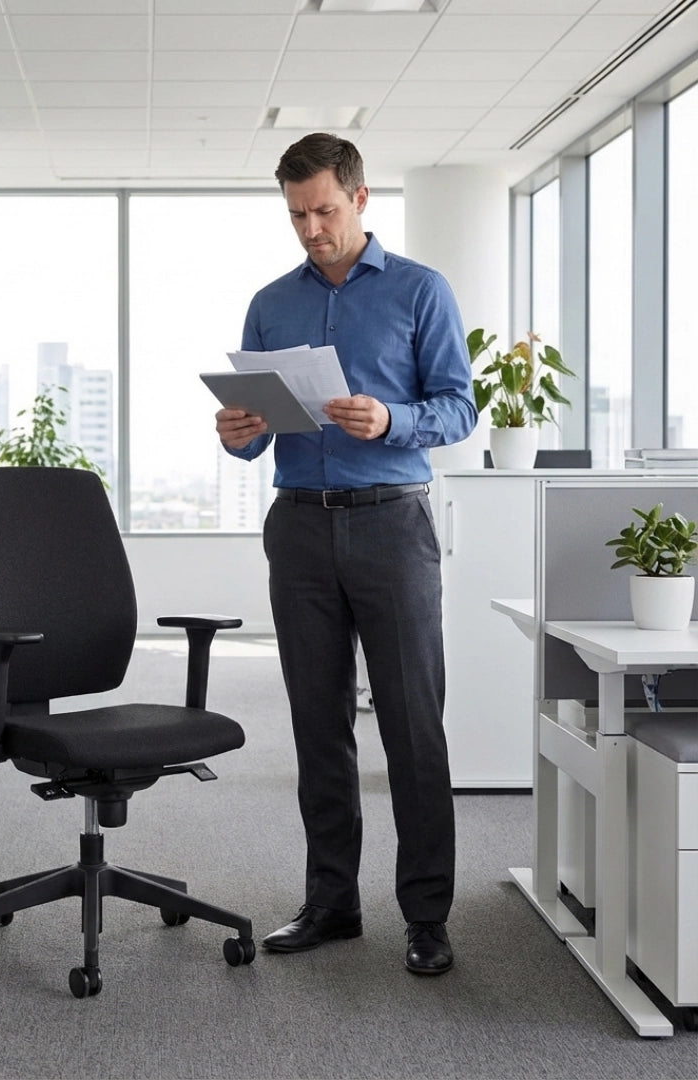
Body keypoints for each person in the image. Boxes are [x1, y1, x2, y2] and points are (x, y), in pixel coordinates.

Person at [217, 132, 476, 975]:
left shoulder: (419, 291)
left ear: (361, 199)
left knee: (410, 725)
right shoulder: (270, 302)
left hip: (392, 525)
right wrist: (237, 432)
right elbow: (255, 441)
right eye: (297, 214)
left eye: (324, 210)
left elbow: (459, 409)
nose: (311, 228)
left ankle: (427, 916)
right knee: (318, 725)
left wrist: (391, 420)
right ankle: (332, 902)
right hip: (298, 527)